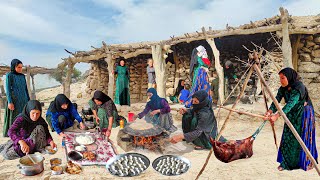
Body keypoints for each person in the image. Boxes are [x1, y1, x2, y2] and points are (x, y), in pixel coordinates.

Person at [265, 67, 318, 171]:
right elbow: (277, 100)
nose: (281, 81)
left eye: (283, 78)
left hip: (303, 114)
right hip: (291, 114)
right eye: (280, 78)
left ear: (289, 77)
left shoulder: (299, 87)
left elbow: (291, 103)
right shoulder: (283, 88)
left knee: (302, 138)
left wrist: (276, 116)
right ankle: (286, 163)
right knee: (288, 137)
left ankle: (306, 162)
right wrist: (270, 111)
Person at [3, 59, 30, 137]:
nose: (20, 69)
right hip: (14, 100)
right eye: (18, 67)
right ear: (13, 67)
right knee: (14, 117)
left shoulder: (22, 76)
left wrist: (28, 101)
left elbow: (25, 89)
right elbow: (8, 89)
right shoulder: (9, 75)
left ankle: (23, 132)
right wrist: (10, 102)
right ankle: (13, 133)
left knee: (24, 115)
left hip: (24, 99)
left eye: (21, 67)